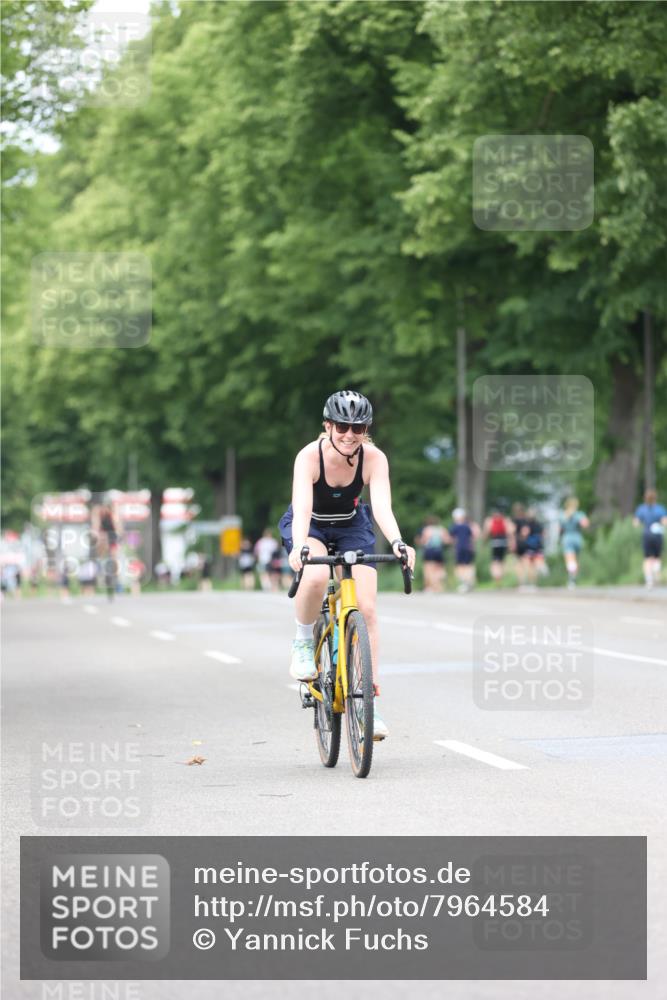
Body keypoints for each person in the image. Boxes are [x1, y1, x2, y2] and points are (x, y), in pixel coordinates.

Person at [278, 390, 416, 741]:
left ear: (366, 429)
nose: (349, 435)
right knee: (318, 574)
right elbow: (302, 507)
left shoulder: (374, 458)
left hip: (353, 524)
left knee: (367, 610)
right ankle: (303, 641)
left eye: (358, 427)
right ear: (328, 426)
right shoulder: (309, 456)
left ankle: (366, 702)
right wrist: (298, 547)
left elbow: (382, 506)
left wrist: (399, 542)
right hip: (312, 524)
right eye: (342, 426)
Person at [633, 488, 667, 589]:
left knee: (647, 559)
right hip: (657, 535)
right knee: (657, 557)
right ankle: (656, 571)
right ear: (655, 498)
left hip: (647, 535)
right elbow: (665, 522)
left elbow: (636, 523)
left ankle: (649, 581)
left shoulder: (641, 509)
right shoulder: (660, 509)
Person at [559, 497, 590, 589]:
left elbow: (560, 529)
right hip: (578, 538)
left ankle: (571, 580)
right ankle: (574, 579)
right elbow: (585, 524)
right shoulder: (579, 514)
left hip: (567, 538)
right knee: (575, 560)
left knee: (570, 560)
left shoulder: (563, 514)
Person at [415, 516, 450, 592]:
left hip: (429, 551)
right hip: (439, 551)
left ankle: (431, 587)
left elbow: (423, 541)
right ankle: (439, 587)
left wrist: (419, 541)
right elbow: (447, 540)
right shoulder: (441, 529)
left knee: (428, 570)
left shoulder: (427, 530)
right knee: (439, 569)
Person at [448, 508, 479, 593]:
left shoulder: (454, 527)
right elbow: (473, 536)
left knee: (460, 566)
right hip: (468, 548)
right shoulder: (467, 526)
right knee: (468, 565)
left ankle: (464, 583)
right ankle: (469, 582)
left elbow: (450, 539)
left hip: (459, 548)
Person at [482, 507, 514, 585]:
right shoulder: (505, 521)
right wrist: (511, 543)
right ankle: (501, 576)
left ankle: (497, 577)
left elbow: (486, 533)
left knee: (495, 561)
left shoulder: (490, 521)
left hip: (495, 542)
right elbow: (510, 532)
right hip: (503, 542)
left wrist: (484, 542)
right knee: (502, 561)